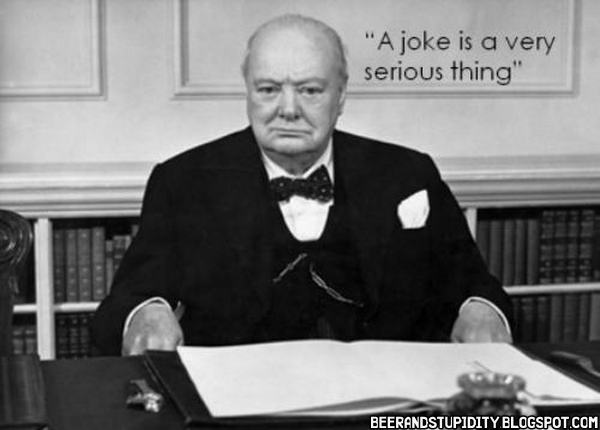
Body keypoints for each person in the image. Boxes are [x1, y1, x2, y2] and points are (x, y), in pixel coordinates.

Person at [91, 14, 512, 356]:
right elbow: (130, 297)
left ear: (341, 96)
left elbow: (474, 284)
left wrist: (482, 310)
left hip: (385, 405)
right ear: (248, 91)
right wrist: (146, 312)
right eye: (268, 89)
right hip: (240, 411)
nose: (288, 110)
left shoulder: (407, 174)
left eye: (310, 90)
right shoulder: (184, 181)